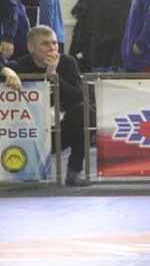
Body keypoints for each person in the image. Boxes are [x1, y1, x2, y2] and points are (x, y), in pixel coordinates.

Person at [0, 26, 87, 186]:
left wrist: (52, 75)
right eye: (45, 44)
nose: (52, 48)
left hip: (58, 130)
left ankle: (74, 170)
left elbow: (77, 97)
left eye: (54, 43)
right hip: (28, 133)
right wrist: (7, 71)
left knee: (85, 111)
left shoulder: (68, 62)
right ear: (31, 48)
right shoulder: (21, 64)